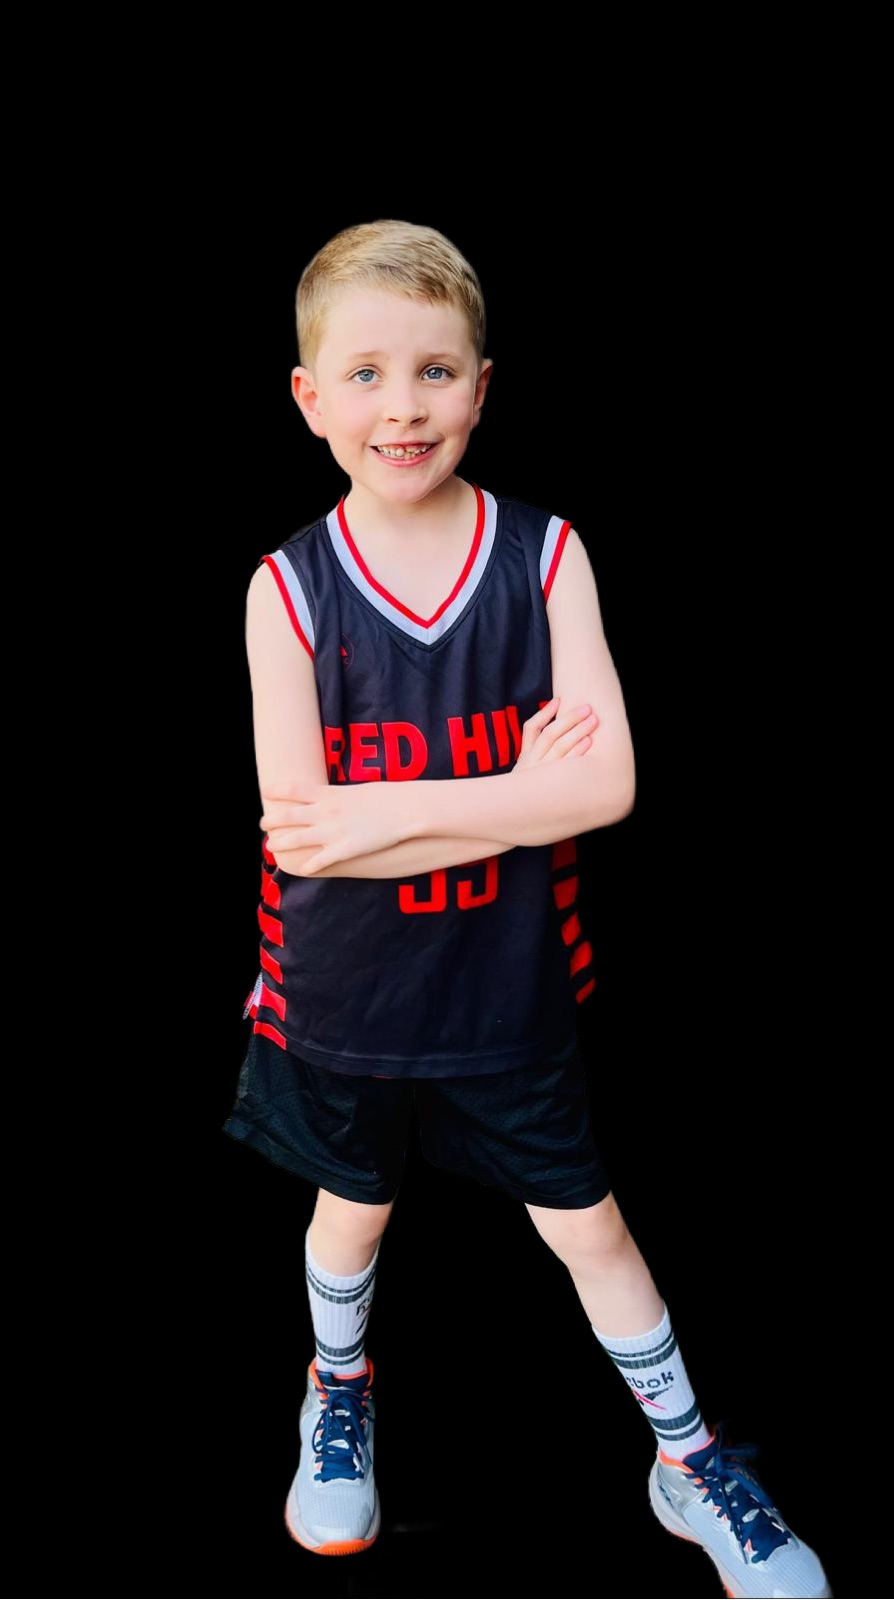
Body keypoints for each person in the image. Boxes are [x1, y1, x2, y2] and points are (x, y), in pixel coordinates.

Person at [221, 219, 831, 1597]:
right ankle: (336, 1389)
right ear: (310, 398)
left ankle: (685, 1461)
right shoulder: (286, 590)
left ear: (481, 386)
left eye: (434, 371)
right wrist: (515, 792)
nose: (403, 406)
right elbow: (308, 842)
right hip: (347, 993)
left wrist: (386, 811)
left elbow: (607, 787)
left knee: (590, 1228)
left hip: (506, 984)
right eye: (366, 374)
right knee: (351, 1213)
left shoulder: (545, 555)